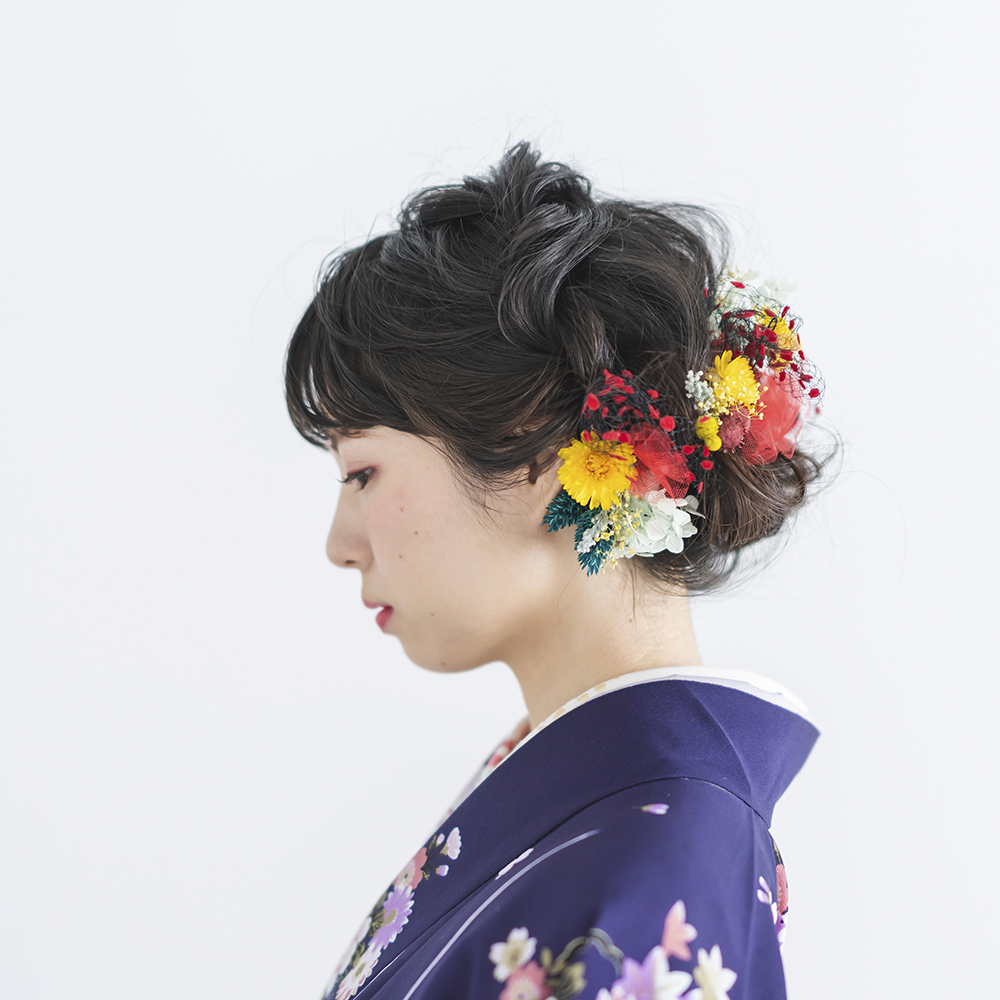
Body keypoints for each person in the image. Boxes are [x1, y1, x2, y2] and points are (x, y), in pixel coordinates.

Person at [284, 143, 829, 1000]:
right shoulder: (604, 801)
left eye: (362, 474)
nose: (339, 543)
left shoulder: (657, 867)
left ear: (540, 452)